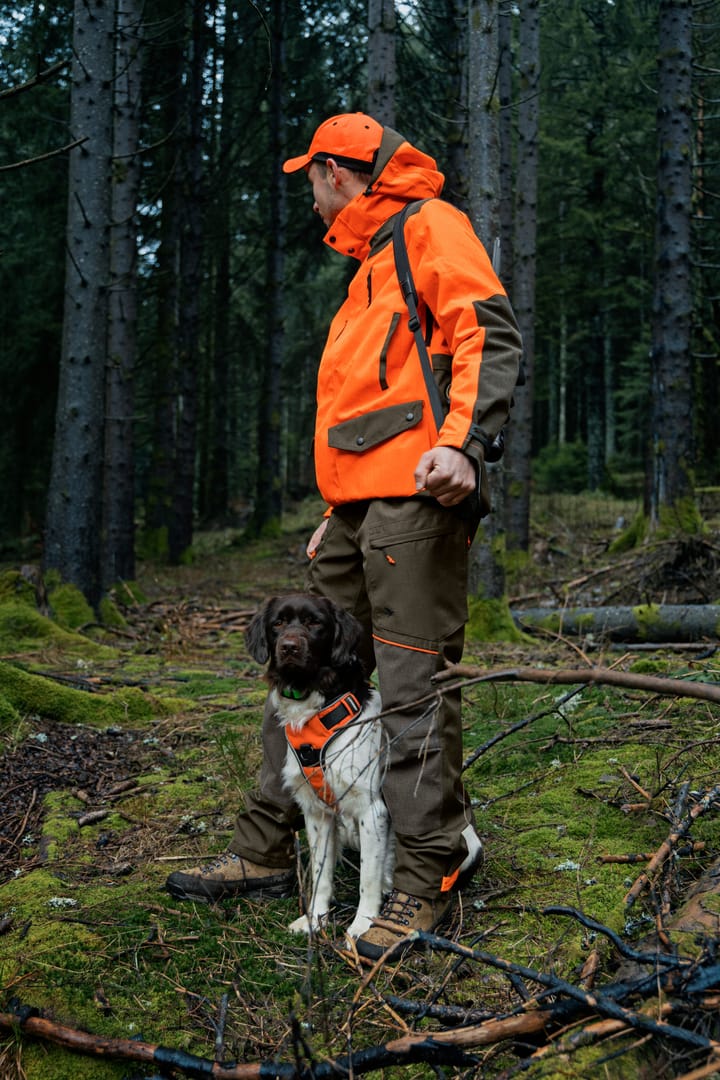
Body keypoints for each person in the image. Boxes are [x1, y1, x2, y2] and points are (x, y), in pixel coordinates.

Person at [167, 113, 522, 961]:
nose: (310, 192)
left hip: (416, 498)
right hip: (357, 507)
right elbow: (366, 402)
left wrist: (465, 443)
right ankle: (267, 848)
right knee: (302, 672)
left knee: (409, 687)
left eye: (312, 176)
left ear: (338, 172)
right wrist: (337, 502)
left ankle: (428, 872)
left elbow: (487, 332)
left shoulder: (431, 228)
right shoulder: (366, 265)